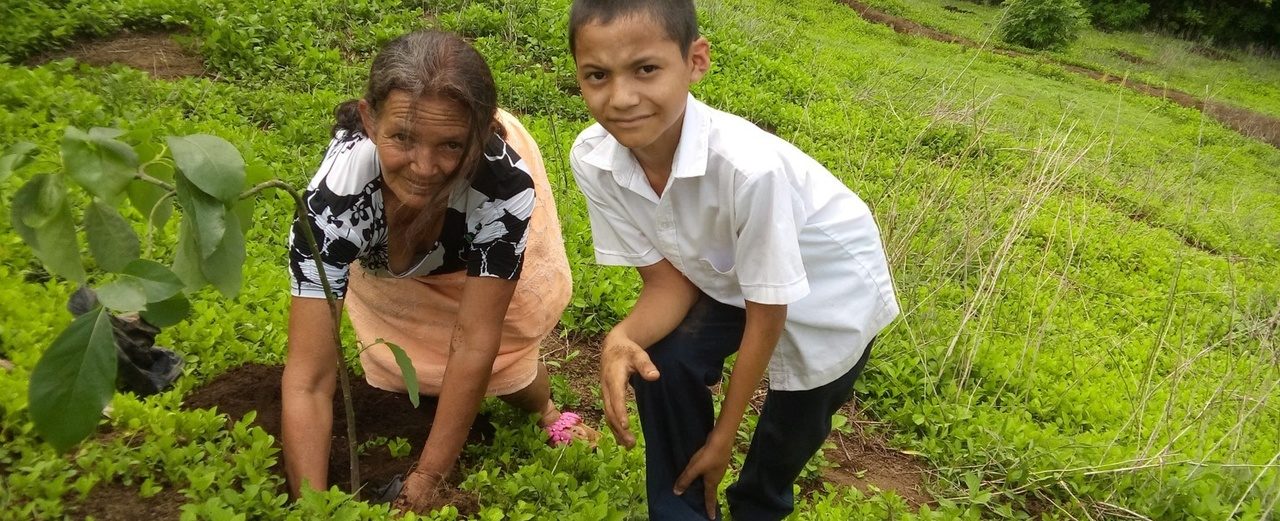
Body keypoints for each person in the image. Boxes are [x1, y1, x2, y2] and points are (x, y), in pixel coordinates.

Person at [566, 1, 900, 519]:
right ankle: (681, 510)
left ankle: (757, 506)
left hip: (832, 294)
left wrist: (723, 438)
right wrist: (621, 338)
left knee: (783, 445)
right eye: (597, 75)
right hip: (727, 278)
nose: (622, 98)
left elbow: (768, 311)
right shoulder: (594, 159)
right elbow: (667, 286)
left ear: (695, 61)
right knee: (663, 361)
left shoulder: (749, 171)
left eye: (646, 69)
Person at [283, 29, 597, 512]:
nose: (424, 167)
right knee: (402, 361)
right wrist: (314, 506)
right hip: (391, 255)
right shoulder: (333, 206)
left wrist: (427, 480)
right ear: (369, 120)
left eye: (450, 145)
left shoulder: (504, 186)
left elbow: (475, 340)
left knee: (509, 359)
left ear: (479, 133)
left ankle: (545, 410)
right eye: (402, 138)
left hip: (472, 223)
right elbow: (308, 378)